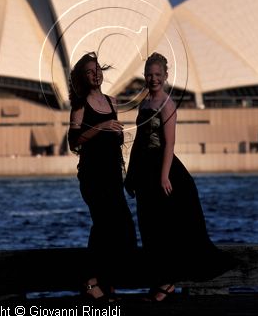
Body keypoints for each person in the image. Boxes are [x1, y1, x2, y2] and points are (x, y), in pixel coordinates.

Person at [124, 52, 238, 302]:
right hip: (144, 170)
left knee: (166, 228)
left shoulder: (167, 104)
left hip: (162, 170)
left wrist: (164, 177)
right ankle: (160, 280)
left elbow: (169, 144)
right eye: (149, 74)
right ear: (145, 76)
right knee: (149, 228)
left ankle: (167, 284)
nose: (153, 79)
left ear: (165, 76)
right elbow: (139, 141)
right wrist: (130, 175)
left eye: (157, 75)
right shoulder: (144, 103)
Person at [68, 52, 137, 302]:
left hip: (112, 174)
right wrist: (100, 128)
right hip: (92, 175)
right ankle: (91, 282)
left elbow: (114, 137)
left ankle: (105, 278)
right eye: (89, 71)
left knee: (124, 228)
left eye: (97, 69)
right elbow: (73, 142)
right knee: (104, 225)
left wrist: (117, 135)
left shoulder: (112, 102)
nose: (95, 74)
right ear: (83, 77)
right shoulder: (80, 105)